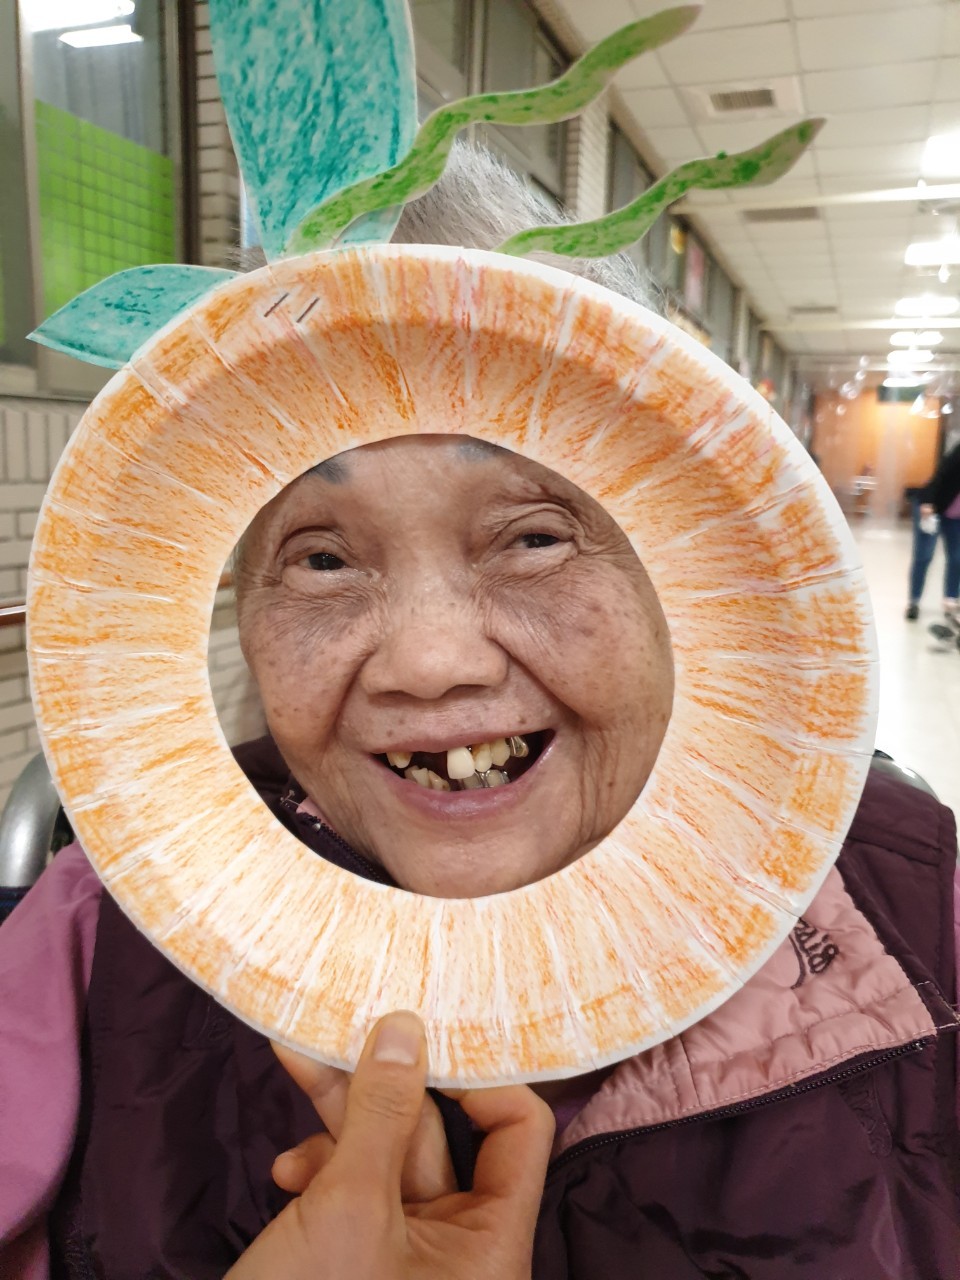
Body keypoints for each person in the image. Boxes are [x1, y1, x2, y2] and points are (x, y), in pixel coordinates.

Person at [1, 146, 957, 1280]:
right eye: (320, 559)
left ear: (682, 575)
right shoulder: (96, 936)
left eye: (534, 536)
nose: (429, 662)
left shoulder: (919, 915)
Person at [905, 438, 960, 621]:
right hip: (932, 506)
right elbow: (940, 474)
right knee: (924, 555)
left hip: (955, 515)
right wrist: (928, 502)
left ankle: (951, 600)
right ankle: (914, 601)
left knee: (957, 557)